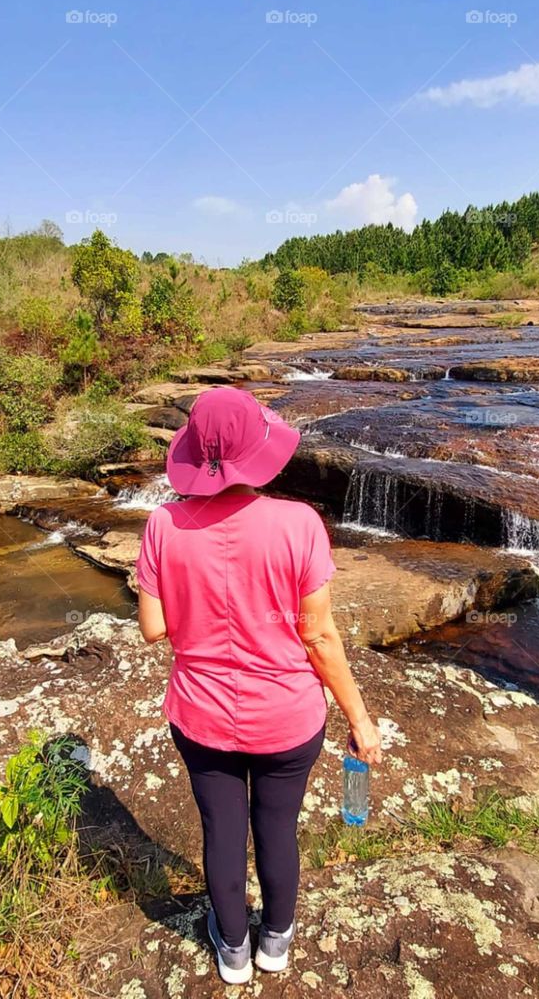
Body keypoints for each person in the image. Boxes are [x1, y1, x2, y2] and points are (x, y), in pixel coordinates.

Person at [136, 386, 382, 984]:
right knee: (277, 828)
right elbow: (319, 637)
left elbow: (154, 628)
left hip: (202, 716)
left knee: (221, 831)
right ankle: (275, 942)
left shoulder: (162, 524)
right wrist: (359, 718)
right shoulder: (300, 523)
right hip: (287, 719)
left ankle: (234, 953)